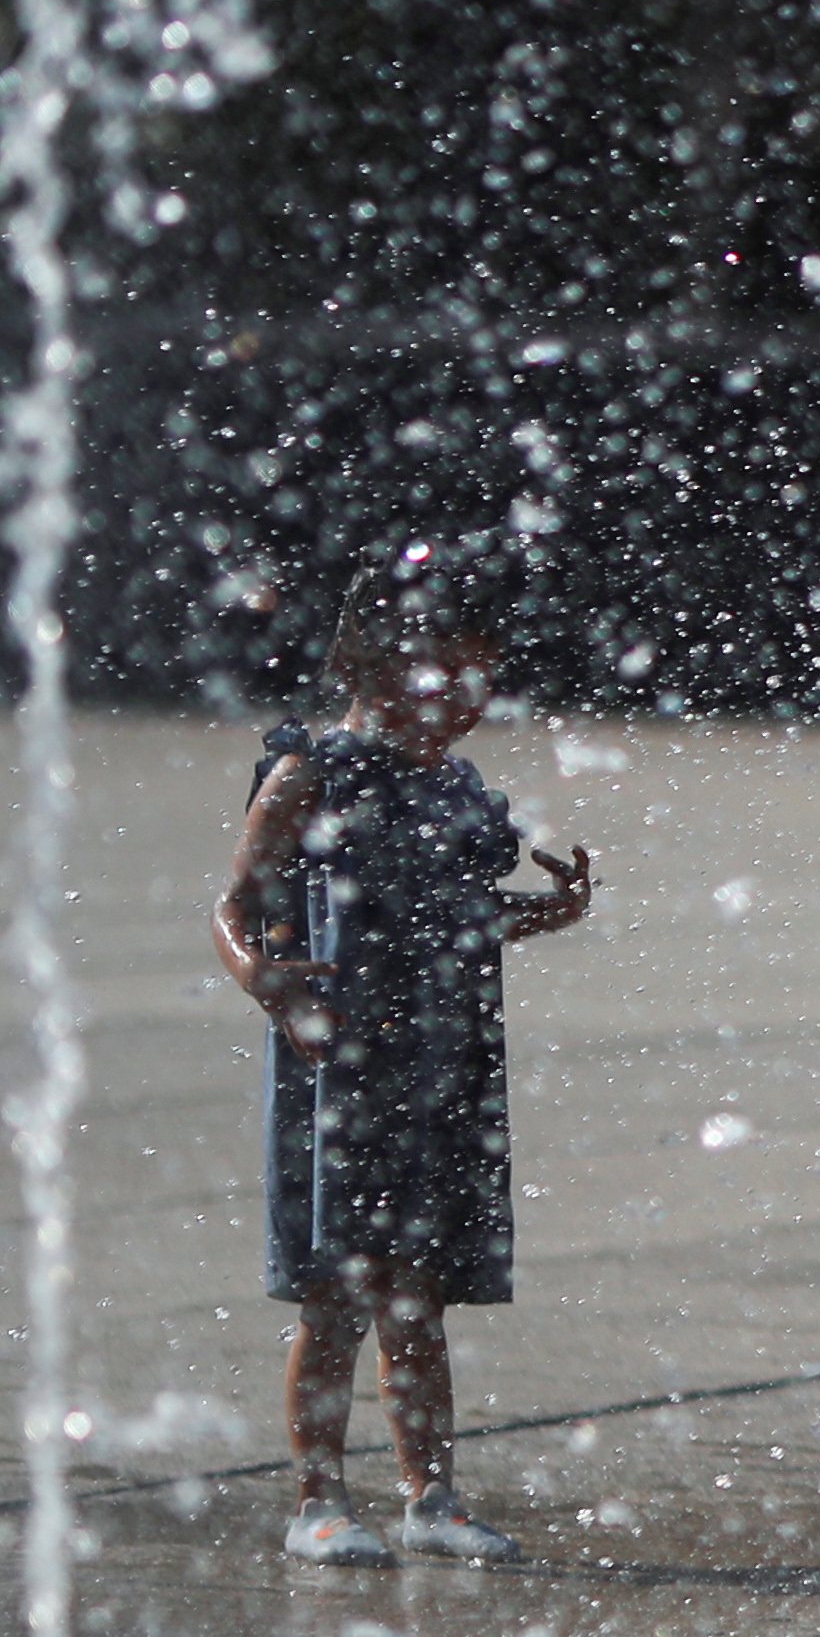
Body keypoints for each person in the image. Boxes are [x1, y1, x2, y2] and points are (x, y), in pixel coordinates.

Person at [214, 547, 596, 1567]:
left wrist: (544, 911)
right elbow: (235, 904)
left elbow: (457, 918)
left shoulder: (456, 789)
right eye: (447, 678)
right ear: (371, 666)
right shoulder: (312, 772)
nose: (467, 703)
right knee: (338, 1296)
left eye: (481, 682)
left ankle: (433, 1496)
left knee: (417, 1293)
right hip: (341, 1068)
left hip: (438, 1066)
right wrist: (261, 975)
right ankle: (318, 1500)